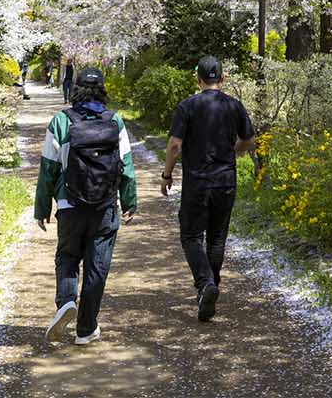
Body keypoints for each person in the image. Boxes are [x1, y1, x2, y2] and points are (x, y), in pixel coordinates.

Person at [35, 67, 137, 345]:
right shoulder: (114, 121)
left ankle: (67, 301)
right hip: (105, 206)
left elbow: (48, 169)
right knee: (97, 267)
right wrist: (129, 201)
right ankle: (86, 329)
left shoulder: (61, 121)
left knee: (68, 256)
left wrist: (42, 209)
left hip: (69, 204)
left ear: (76, 89)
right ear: (102, 90)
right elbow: (126, 166)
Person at [160, 55, 254, 322]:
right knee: (217, 238)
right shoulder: (234, 105)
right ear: (222, 78)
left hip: (197, 182)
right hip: (225, 181)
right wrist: (233, 151)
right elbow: (249, 141)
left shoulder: (187, 106)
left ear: (198, 79)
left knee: (191, 236)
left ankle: (205, 284)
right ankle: (210, 286)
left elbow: (175, 145)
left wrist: (167, 174)